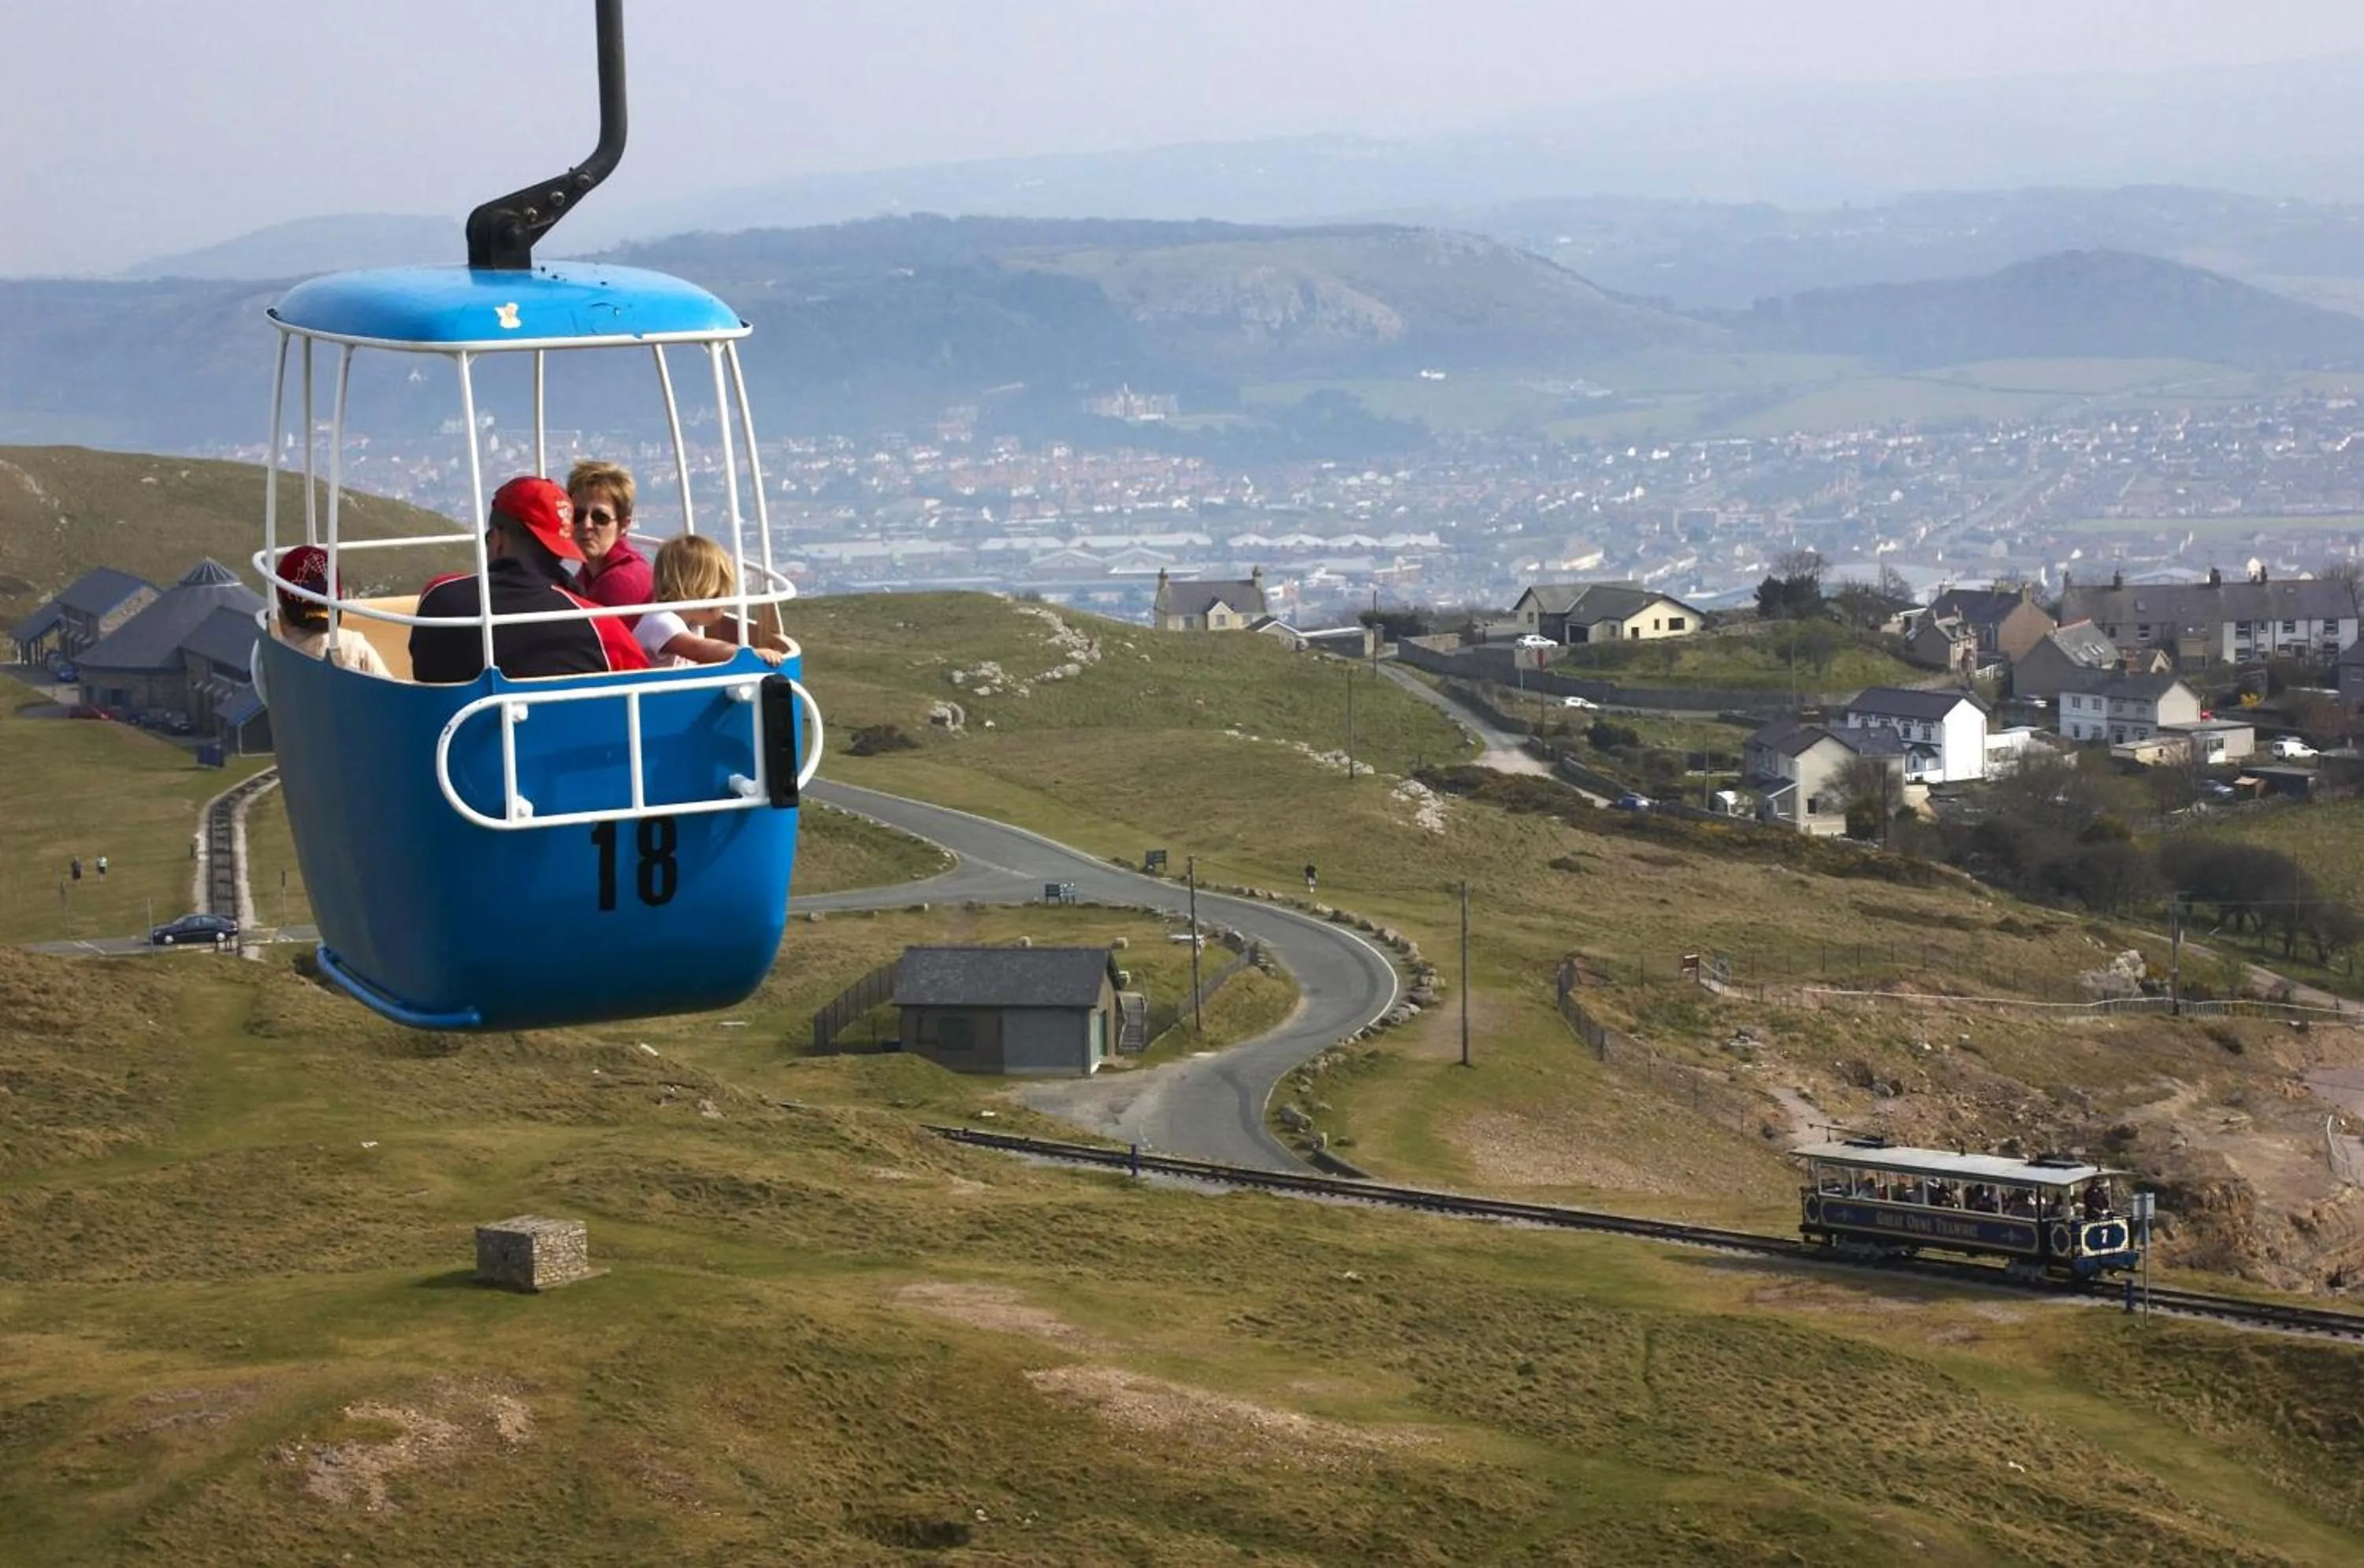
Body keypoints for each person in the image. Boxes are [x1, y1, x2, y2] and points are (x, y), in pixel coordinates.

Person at [411, 477, 649, 683]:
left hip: (447, 734)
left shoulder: (438, 597)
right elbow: (646, 692)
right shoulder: (599, 627)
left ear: (498, 539)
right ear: (559, 550)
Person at [633, 536, 786, 670]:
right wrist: (749, 654)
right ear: (706, 593)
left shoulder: (682, 620)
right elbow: (698, 649)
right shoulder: (661, 621)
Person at [270, 544, 388, 676]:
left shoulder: (269, 641)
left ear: (279, 595)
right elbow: (391, 693)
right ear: (340, 595)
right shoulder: (354, 648)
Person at [567, 459, 652, 630]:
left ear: (624, 525)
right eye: (578, 515)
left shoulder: (622, 580)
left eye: (601, 518)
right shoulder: (590, 571)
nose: (586, 525)